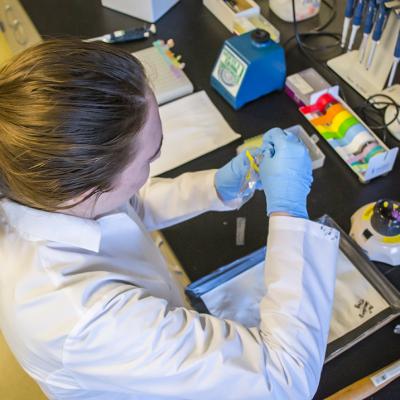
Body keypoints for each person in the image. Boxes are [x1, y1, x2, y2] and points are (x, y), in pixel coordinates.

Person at [0, 39, 339, 400]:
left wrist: (217, 186)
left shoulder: (36, 185)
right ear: (81, 189)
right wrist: (289, 211)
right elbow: (285, 378)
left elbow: (122, 205)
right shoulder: (87, 320)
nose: (153, 163)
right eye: (150, 158)